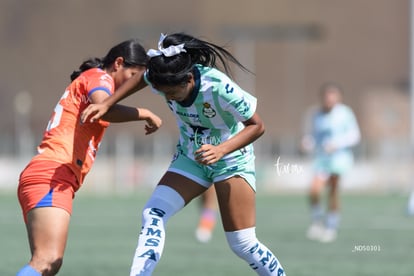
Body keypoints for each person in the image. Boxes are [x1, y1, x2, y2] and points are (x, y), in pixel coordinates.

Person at [82, 33, 286, 276]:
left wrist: (220, 150)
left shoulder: (219, 87)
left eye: (173, 94)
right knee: (153, 214)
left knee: (242, 243)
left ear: (189, 79)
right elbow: (141, 78)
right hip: (191, 158)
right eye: (164, 93)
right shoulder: (163, 75)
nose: (169, 98)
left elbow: (257, 126)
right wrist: (108, 103)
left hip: (231, 160)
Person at [16, 39, 162, 276]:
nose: (133, 83)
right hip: (53, 173)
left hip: (50, 174)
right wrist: (144, 113)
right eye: (133, 75)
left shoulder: (94, 81)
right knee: (47, 260)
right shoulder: (100, 77)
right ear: (118, 63)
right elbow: (103, 107)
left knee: (48, 262)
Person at [301, 82, 360, 243]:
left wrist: (337, 144)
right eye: (327, 95)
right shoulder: (315, 114)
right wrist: (308, 143)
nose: (329, 99)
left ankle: (331, 226)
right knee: (314, 190)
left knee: (333, 191)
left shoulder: (345, 113)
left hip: (339, 159)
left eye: (333, 95)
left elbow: (355, 135)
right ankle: (317, 221)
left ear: (338, 97)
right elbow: (312, 136)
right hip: (321, 159)